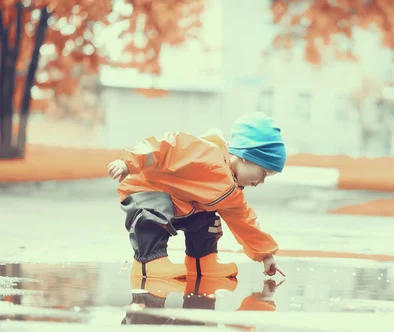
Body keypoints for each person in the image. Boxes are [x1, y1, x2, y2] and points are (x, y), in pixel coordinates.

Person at [107, 112, 287, 280]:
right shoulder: (205, 154)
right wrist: (128, 162)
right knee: (155, 210)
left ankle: (201, 263)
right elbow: (164, 147)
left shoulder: (232, 194)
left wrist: (266, 255)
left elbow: (245, 223)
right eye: (263, 173)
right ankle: (148, 263)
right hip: (146, 193)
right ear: (248, 156)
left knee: (208, 219)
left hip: (180, 207)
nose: (262, 181)